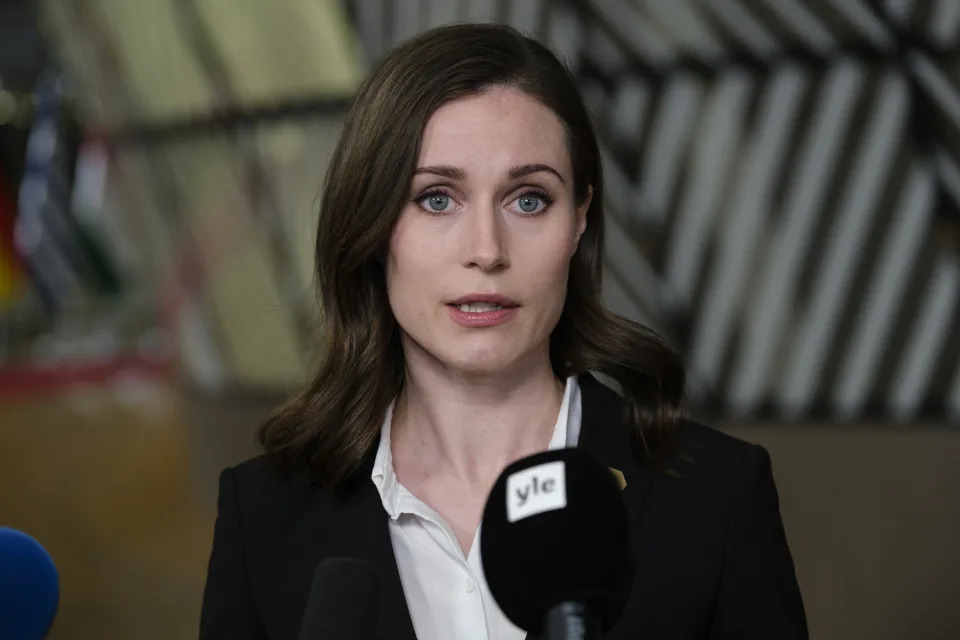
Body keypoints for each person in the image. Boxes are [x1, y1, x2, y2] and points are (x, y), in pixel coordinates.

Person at [199, 22, 807, 640]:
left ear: (579, 221)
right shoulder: (265, 517)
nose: (486, 251)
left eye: (529, 199)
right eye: (437, 198)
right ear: (375, 227)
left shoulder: (716, 496)